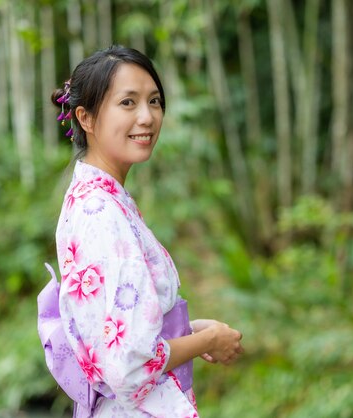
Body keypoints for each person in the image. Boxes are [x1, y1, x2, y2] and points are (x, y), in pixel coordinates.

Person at [50, 45, 244, 417]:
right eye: (128, 103)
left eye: (154, 101)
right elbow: (130, 366)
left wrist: (188, 329)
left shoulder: (95, 196)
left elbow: (123, 331)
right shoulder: (103, 211)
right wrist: (207, 339)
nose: (147, 117)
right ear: (85, 118)